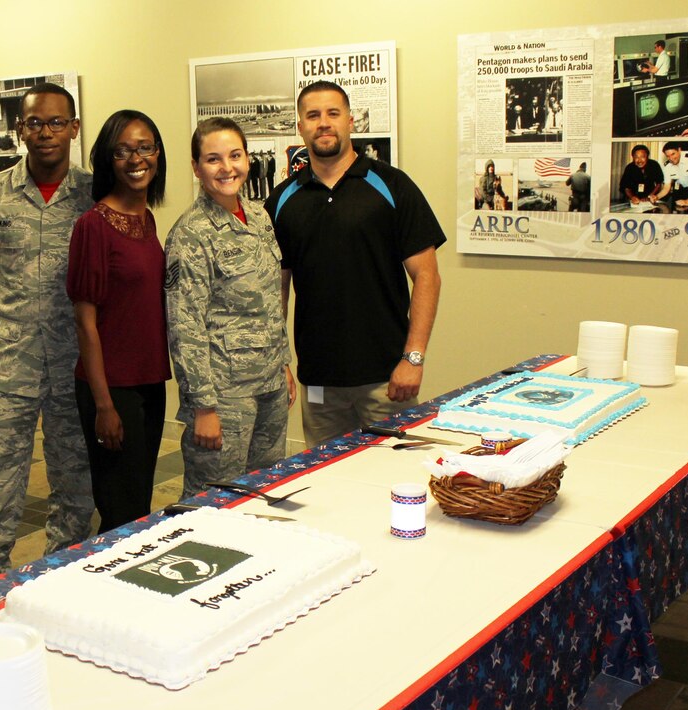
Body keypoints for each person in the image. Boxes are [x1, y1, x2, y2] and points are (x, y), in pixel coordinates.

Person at [0, 82, 94, 584]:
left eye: (57, 122)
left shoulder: (91, 196)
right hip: (8, 366)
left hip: (74, 366)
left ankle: (64, 580)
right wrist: (12, 332)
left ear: (74, 128)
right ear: (19, 129)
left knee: (75, 484)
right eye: (34, 123)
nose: (45, 133)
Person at [265, 80, 445, 448]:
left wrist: (413, 358)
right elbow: (276, 291)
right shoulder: (283, 200)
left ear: (351, 121)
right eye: (313, 115)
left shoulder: (392, 186)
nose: (324, 123)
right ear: (300, 127)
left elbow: (427, 276)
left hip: (387, 379)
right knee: (326, 484)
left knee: (394, 477)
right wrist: (278, 359)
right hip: (319, 382)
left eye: (333, 113)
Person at [165, 117, 296, 499]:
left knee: (266, 491)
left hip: (269, 384)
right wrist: (203, 407)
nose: (227, 168)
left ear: (248, 159)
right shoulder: (189, 234)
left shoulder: (258, 216)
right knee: (215, 498)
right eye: (213, 159)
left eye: (235, 156)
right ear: (196, 168)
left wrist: (283, 362)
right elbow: (184, 326)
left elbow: (269, 299)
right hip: (224, 395)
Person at [66, 110, 171, 532]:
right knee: (120, 510)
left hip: (148, 380)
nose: (135, 159)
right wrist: (104, 405)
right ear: (108, 159)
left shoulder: (146, 220)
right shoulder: (93, 226)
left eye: (144, 147)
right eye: (123, 150)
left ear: (157, 154)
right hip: (112, 389)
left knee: (138, 502)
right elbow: (85, 323)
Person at [651, 142, 688, 212]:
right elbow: (666, 187)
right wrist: (656, 197)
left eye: (673, 154)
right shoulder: (667, 166)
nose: (671, 158)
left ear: (679, 150)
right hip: (683, 190)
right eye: (668, 156)